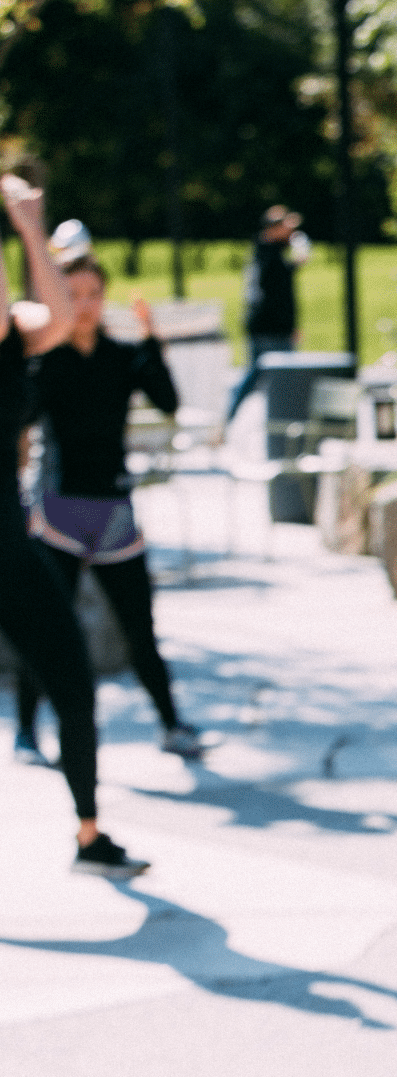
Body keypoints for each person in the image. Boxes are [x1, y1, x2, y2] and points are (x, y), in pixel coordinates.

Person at [0, 174, 147, 877]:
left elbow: (55, 312)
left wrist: (31, 226)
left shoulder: (18, 338)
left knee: (73, 679)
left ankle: (89, 835)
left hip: (8, 548)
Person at [15, 244, 212, 761]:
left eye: (92, 295)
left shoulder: (122, 357)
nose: (83, 305)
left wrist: (152, 338)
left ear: (104, 299)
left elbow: (168, 401)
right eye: (72, 295)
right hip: (58, 511)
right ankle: (25, 731)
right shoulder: (46, 361)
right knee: (47, 631)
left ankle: (172, 724)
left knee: (139, 629)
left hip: (113, 513)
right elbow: (19, 417)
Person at [225, 205, 308, 423]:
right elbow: (277, 295)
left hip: (265, 325)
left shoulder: (264, 252)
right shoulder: (269, 255)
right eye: (286, 227)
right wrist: (289, 327)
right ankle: (283, 422)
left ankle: (229, 417)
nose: (290, 233)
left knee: (256, 376)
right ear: (274, 228)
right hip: (271, 328)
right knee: (276, 378)